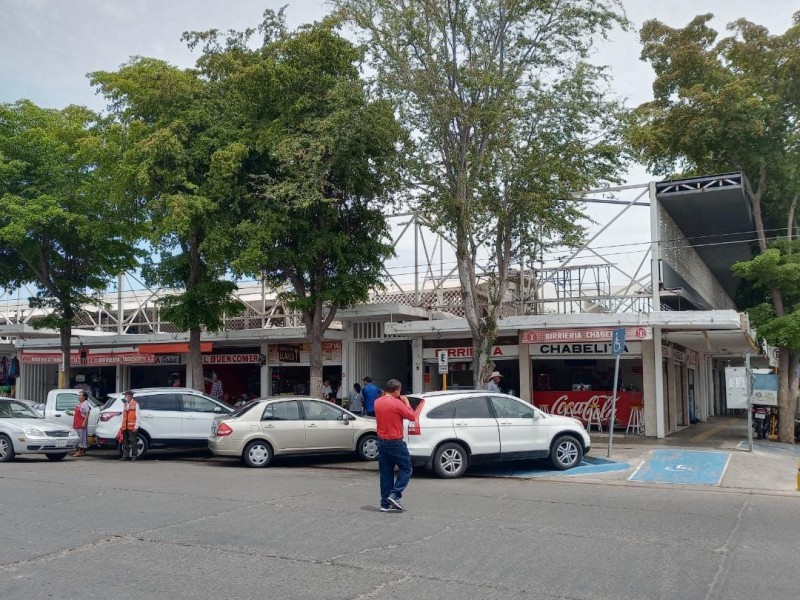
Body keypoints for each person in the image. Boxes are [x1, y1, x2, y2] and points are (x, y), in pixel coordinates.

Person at [374, 379, 416, 513]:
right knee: (406, 468)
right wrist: (407, 403)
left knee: (386, 473)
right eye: (400, 390)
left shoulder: (377, 402)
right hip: (395, 441)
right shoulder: (397, 403)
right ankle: (395, 495)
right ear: (397, 390)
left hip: (381, 440)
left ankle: (384, 503)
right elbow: (412, 416)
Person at [119, 390, 141, 461]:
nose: (127, 397)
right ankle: (125, 456)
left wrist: (136, 426)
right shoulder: (125, 404)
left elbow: (138, 416)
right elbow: (123, 416)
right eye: (126, 396)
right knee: (125, 442)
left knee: (133, 441)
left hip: (132, 426)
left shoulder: (135, 404)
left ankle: (134, 455)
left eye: (128, 396)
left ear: (131, 396)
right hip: (125, 426)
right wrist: (121, 426)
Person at [70, 390, 91, 457]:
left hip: (81, 422)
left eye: (80, 395)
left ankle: (79, 451)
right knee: (78, 436)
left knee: (81, 438)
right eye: (78, 395)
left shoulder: (85, 403)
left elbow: (87, 412)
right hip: (76, 422)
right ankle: (81, 451)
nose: (79, 397)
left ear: (84, 397)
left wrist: (84, 422)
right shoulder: (79, 403)